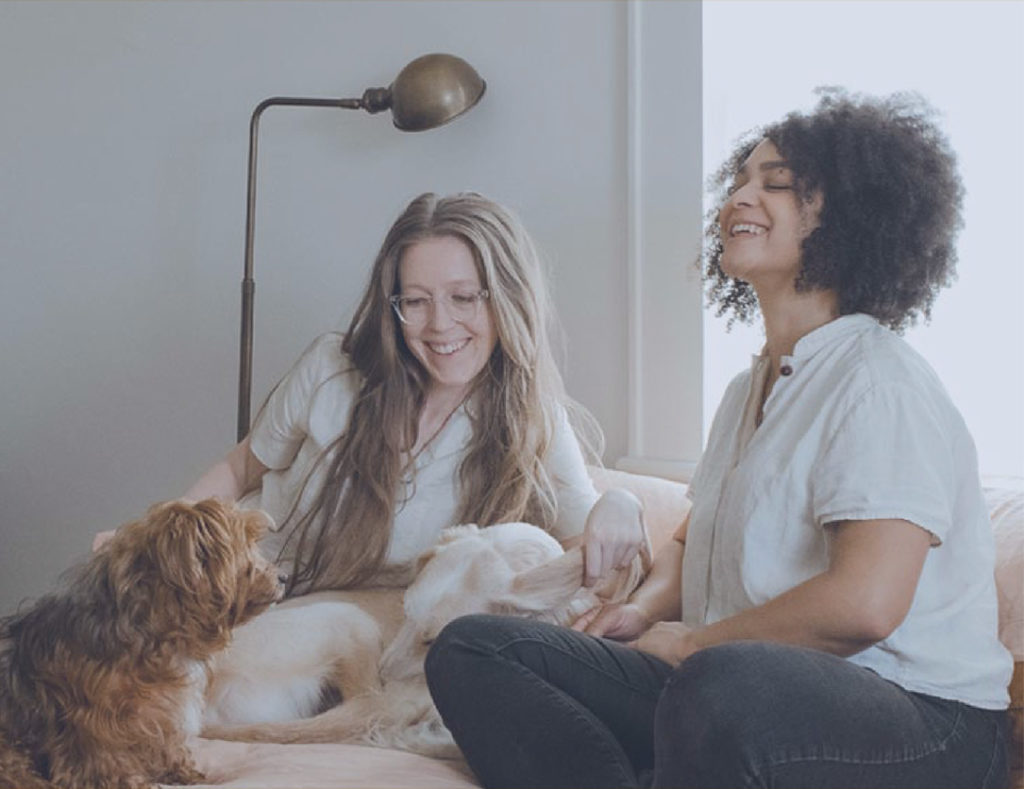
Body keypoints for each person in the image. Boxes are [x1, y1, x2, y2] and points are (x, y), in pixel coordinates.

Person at [424, 91, 1014, 789]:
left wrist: (697, 642)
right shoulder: (750, 390)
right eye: (740, 180)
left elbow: (866, 602)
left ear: (850, 217)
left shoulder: (879, 383)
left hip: (922, 723)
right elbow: (688, 540)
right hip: (733, 689)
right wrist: (638, 612)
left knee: (718, 685)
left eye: (776, 184)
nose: (740, 197)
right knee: (473, 650)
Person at [96, 192, 647, 594]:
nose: (439, 325)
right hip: (249, 594)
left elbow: (587, 545)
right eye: (416, 301)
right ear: (393, 305)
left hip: (363, 633)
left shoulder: (531, 418)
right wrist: (150, 541)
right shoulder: (332, 369)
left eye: (463, 298)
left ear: (506, 299)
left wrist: (622, 504)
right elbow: (241, 471)